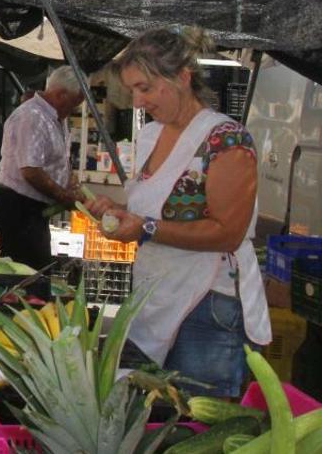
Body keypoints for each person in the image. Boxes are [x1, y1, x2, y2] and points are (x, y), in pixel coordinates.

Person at [86, 26, 270, 397]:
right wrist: (117, 212)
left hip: (209, 306)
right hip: (158, 293)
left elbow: (227, 232)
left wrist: (145, 229)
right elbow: (159, 209)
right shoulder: (153, 134)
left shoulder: (226, 140)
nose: (137, 102)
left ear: (183, 78)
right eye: (133, 89)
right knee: (161, 415)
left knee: (197, 417)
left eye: (146, 88)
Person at [0, 66, 85, 270]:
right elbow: (31, 170)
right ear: (61, 94)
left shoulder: (55, 118)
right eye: (74, 103)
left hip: (34, 207)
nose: (74, 109)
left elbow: (57, 159)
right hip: (19, 205)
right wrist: (62, 195)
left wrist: (69, 181)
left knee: (37, 267)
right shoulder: (32, 116)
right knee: (27, 269)